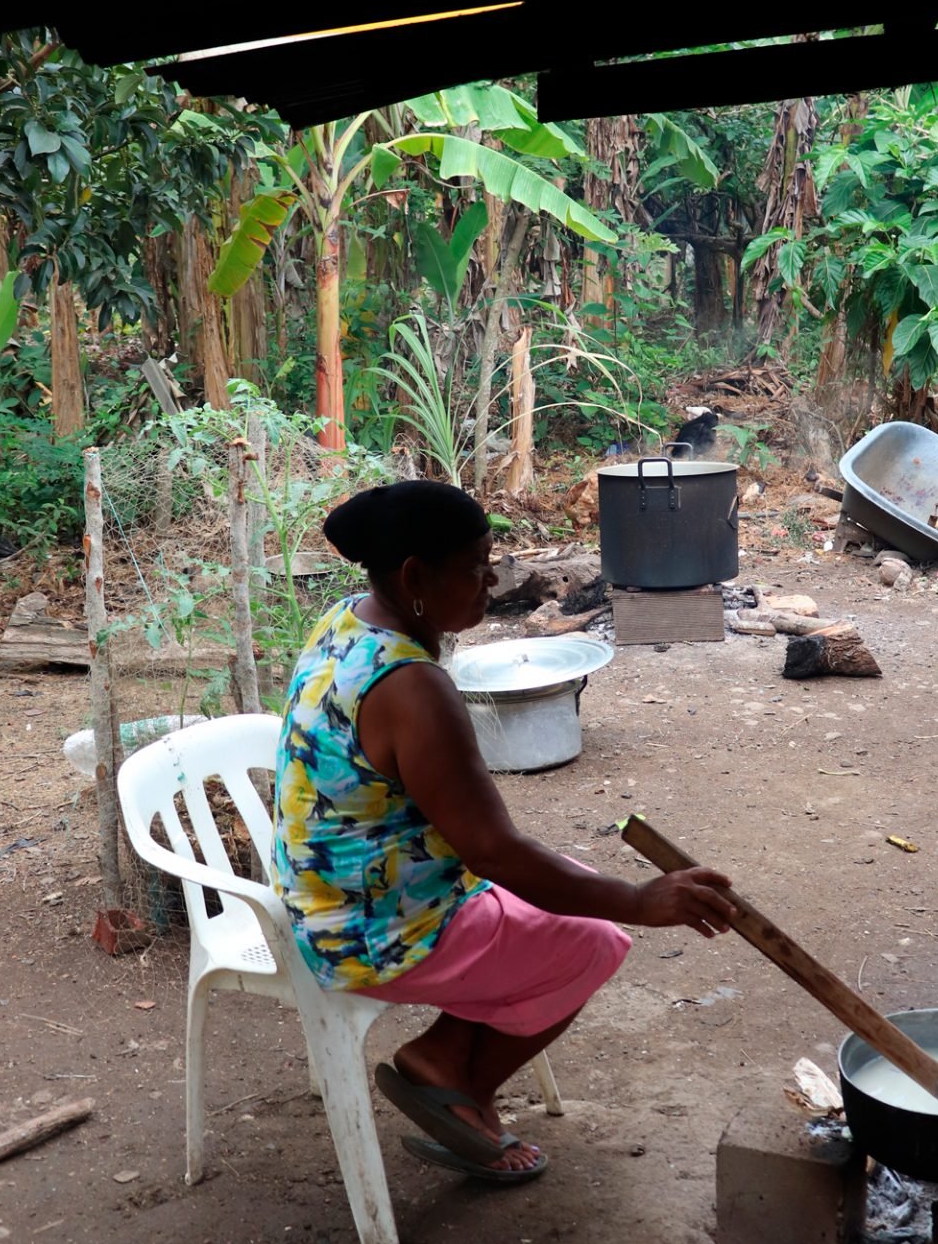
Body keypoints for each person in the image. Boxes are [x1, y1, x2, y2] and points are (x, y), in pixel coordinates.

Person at [271, 481, 734, 1183]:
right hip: (376, 929)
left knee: (569, 883)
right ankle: (457, 1079)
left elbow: (486, 845)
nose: (492, 579)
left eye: (492, 559)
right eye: (474, 567)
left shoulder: (349, 622)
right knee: (596, 939)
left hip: (336, 895)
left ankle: (449, 1054)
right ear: (414, 577)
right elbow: (492, 850)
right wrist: (642, 902)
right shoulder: (412, 689)